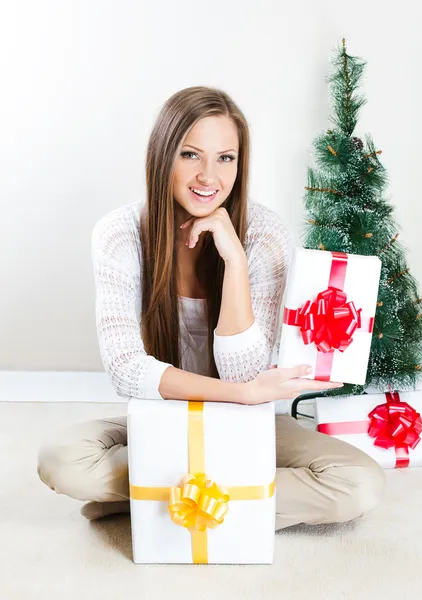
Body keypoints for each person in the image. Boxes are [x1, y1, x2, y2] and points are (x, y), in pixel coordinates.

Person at [37, 86, 386, 528]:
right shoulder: (119, 234)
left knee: (360, 483)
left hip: (248, 423)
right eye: (190, 155)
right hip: (163, 417)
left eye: (226, 158)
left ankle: (158, 501)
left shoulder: (265, 234)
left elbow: (245, 370)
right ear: (162, 156)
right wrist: (242, 394)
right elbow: (126, 368)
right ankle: (229, 499)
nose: (209, 176)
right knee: (62, 459)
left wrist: (235, 262)